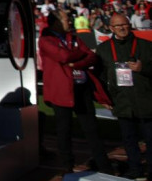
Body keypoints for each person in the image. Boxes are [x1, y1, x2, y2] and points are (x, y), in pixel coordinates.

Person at [38, 10, 114, 176]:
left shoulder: (74, 38)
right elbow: (63, 56)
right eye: (66, 18)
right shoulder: (46, 40)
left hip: (81, 88)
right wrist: (79, 56)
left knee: (92, 129)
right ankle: (68, 168)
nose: (70, 21)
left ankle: (105, 167)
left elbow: (92, 57)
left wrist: (76, 64)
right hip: (62, 92)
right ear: (56, 21)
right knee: (64, 131)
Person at [96, 14, 152, 180]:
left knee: (150, 138)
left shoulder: (146, 46)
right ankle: (135, 169)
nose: (122, 28)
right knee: (129, 140)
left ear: (130, 25)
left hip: (146, 100)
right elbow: (99, 77)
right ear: (111, 28)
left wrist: (144, 68)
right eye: (117, 25)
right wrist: (104, 98)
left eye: (125, 24)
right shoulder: (104, 49)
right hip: (122, 101)